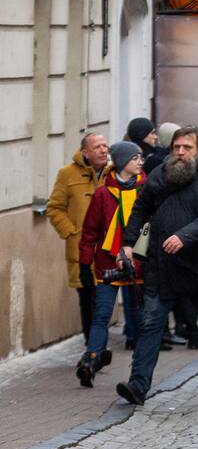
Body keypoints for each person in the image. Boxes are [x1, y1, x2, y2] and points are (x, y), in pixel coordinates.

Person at [115, 126, 198, 405]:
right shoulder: (159, 176)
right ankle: (138, 385)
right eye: (177, 148)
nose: (181, 152)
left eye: (188, 148)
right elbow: (140, 209)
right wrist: (127, 244)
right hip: (162, 266)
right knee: (151, 324)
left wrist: (182, 236)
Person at [75, 141, 145, 387]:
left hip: (139, 264)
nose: (140, 162)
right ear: (123, 161)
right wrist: (84, 265)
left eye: (140, 158)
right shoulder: (103, 194)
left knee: (142, 319)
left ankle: (140, 374)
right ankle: (91, 360)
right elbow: (89, 233)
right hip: (107, 264)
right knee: (102, 314)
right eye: (135, 158)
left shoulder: (146, 189)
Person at [46, 132, 111, 344]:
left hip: (109, 250)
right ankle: (92, 348)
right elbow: (55, 208)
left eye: (105, 145)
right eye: (97, 147)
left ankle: (98, 346)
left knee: (104, 300)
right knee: (88, 300)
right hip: (81, 251)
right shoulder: (67, 174)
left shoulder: (113, 173)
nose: (103, 150)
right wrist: (71, 232)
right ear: (85, 152)